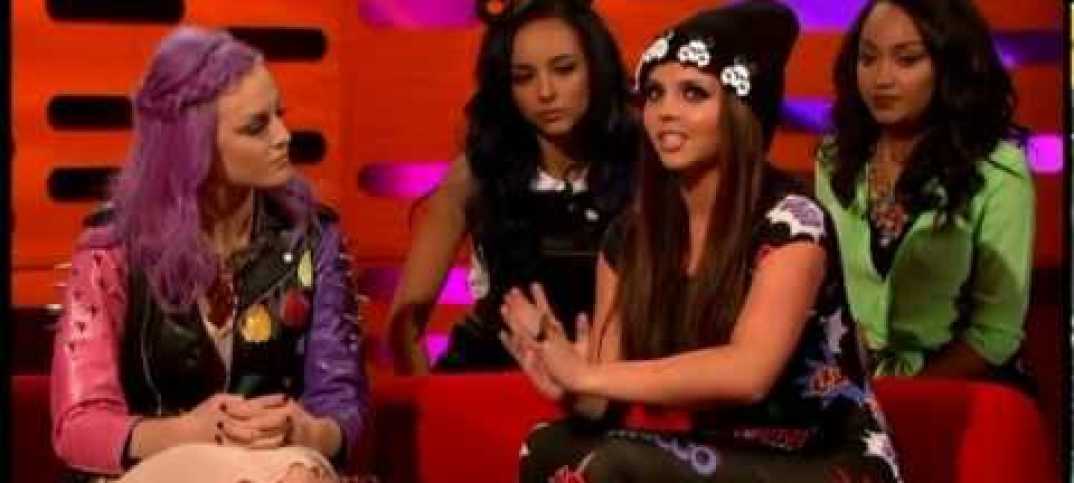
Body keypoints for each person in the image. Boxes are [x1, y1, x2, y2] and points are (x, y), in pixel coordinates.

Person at [501, 2, 902, 482]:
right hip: (721, 451)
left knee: (616, 464)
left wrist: (587, 374)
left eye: (693, 93)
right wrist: (569, 384)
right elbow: (606, 394)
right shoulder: (629, 238)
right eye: (655, 93)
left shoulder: (794, 222)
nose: (665, 112)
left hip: (819, 455)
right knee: (547, 446)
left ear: (740, 111)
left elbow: (748, 375)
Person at [50, 27, 368, 483]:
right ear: (191, 147)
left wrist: (308, 431)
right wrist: (187, 433)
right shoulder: (111, 249)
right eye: (256, 126)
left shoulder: (313, 239)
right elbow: (77, 424)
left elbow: (342, 405)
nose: (283, 137)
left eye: (279, 115)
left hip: (280, 465)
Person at [386, 0, 638, 373]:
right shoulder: (477, 175)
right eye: (523, 77)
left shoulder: (646, 169)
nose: (546, 92)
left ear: (596, 70)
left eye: (564, 70)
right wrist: (426, 400)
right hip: (492, 384)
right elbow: (405, 323)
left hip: (613, 387)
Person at [815, 0, 1033, 378]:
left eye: (907, 60)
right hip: (849, 383)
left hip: (953, 385)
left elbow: (996, 333)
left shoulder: (998, 171)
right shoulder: (836, 157)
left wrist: (902, 395)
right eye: (868, 59)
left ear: (951, 66)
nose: (881, 79)